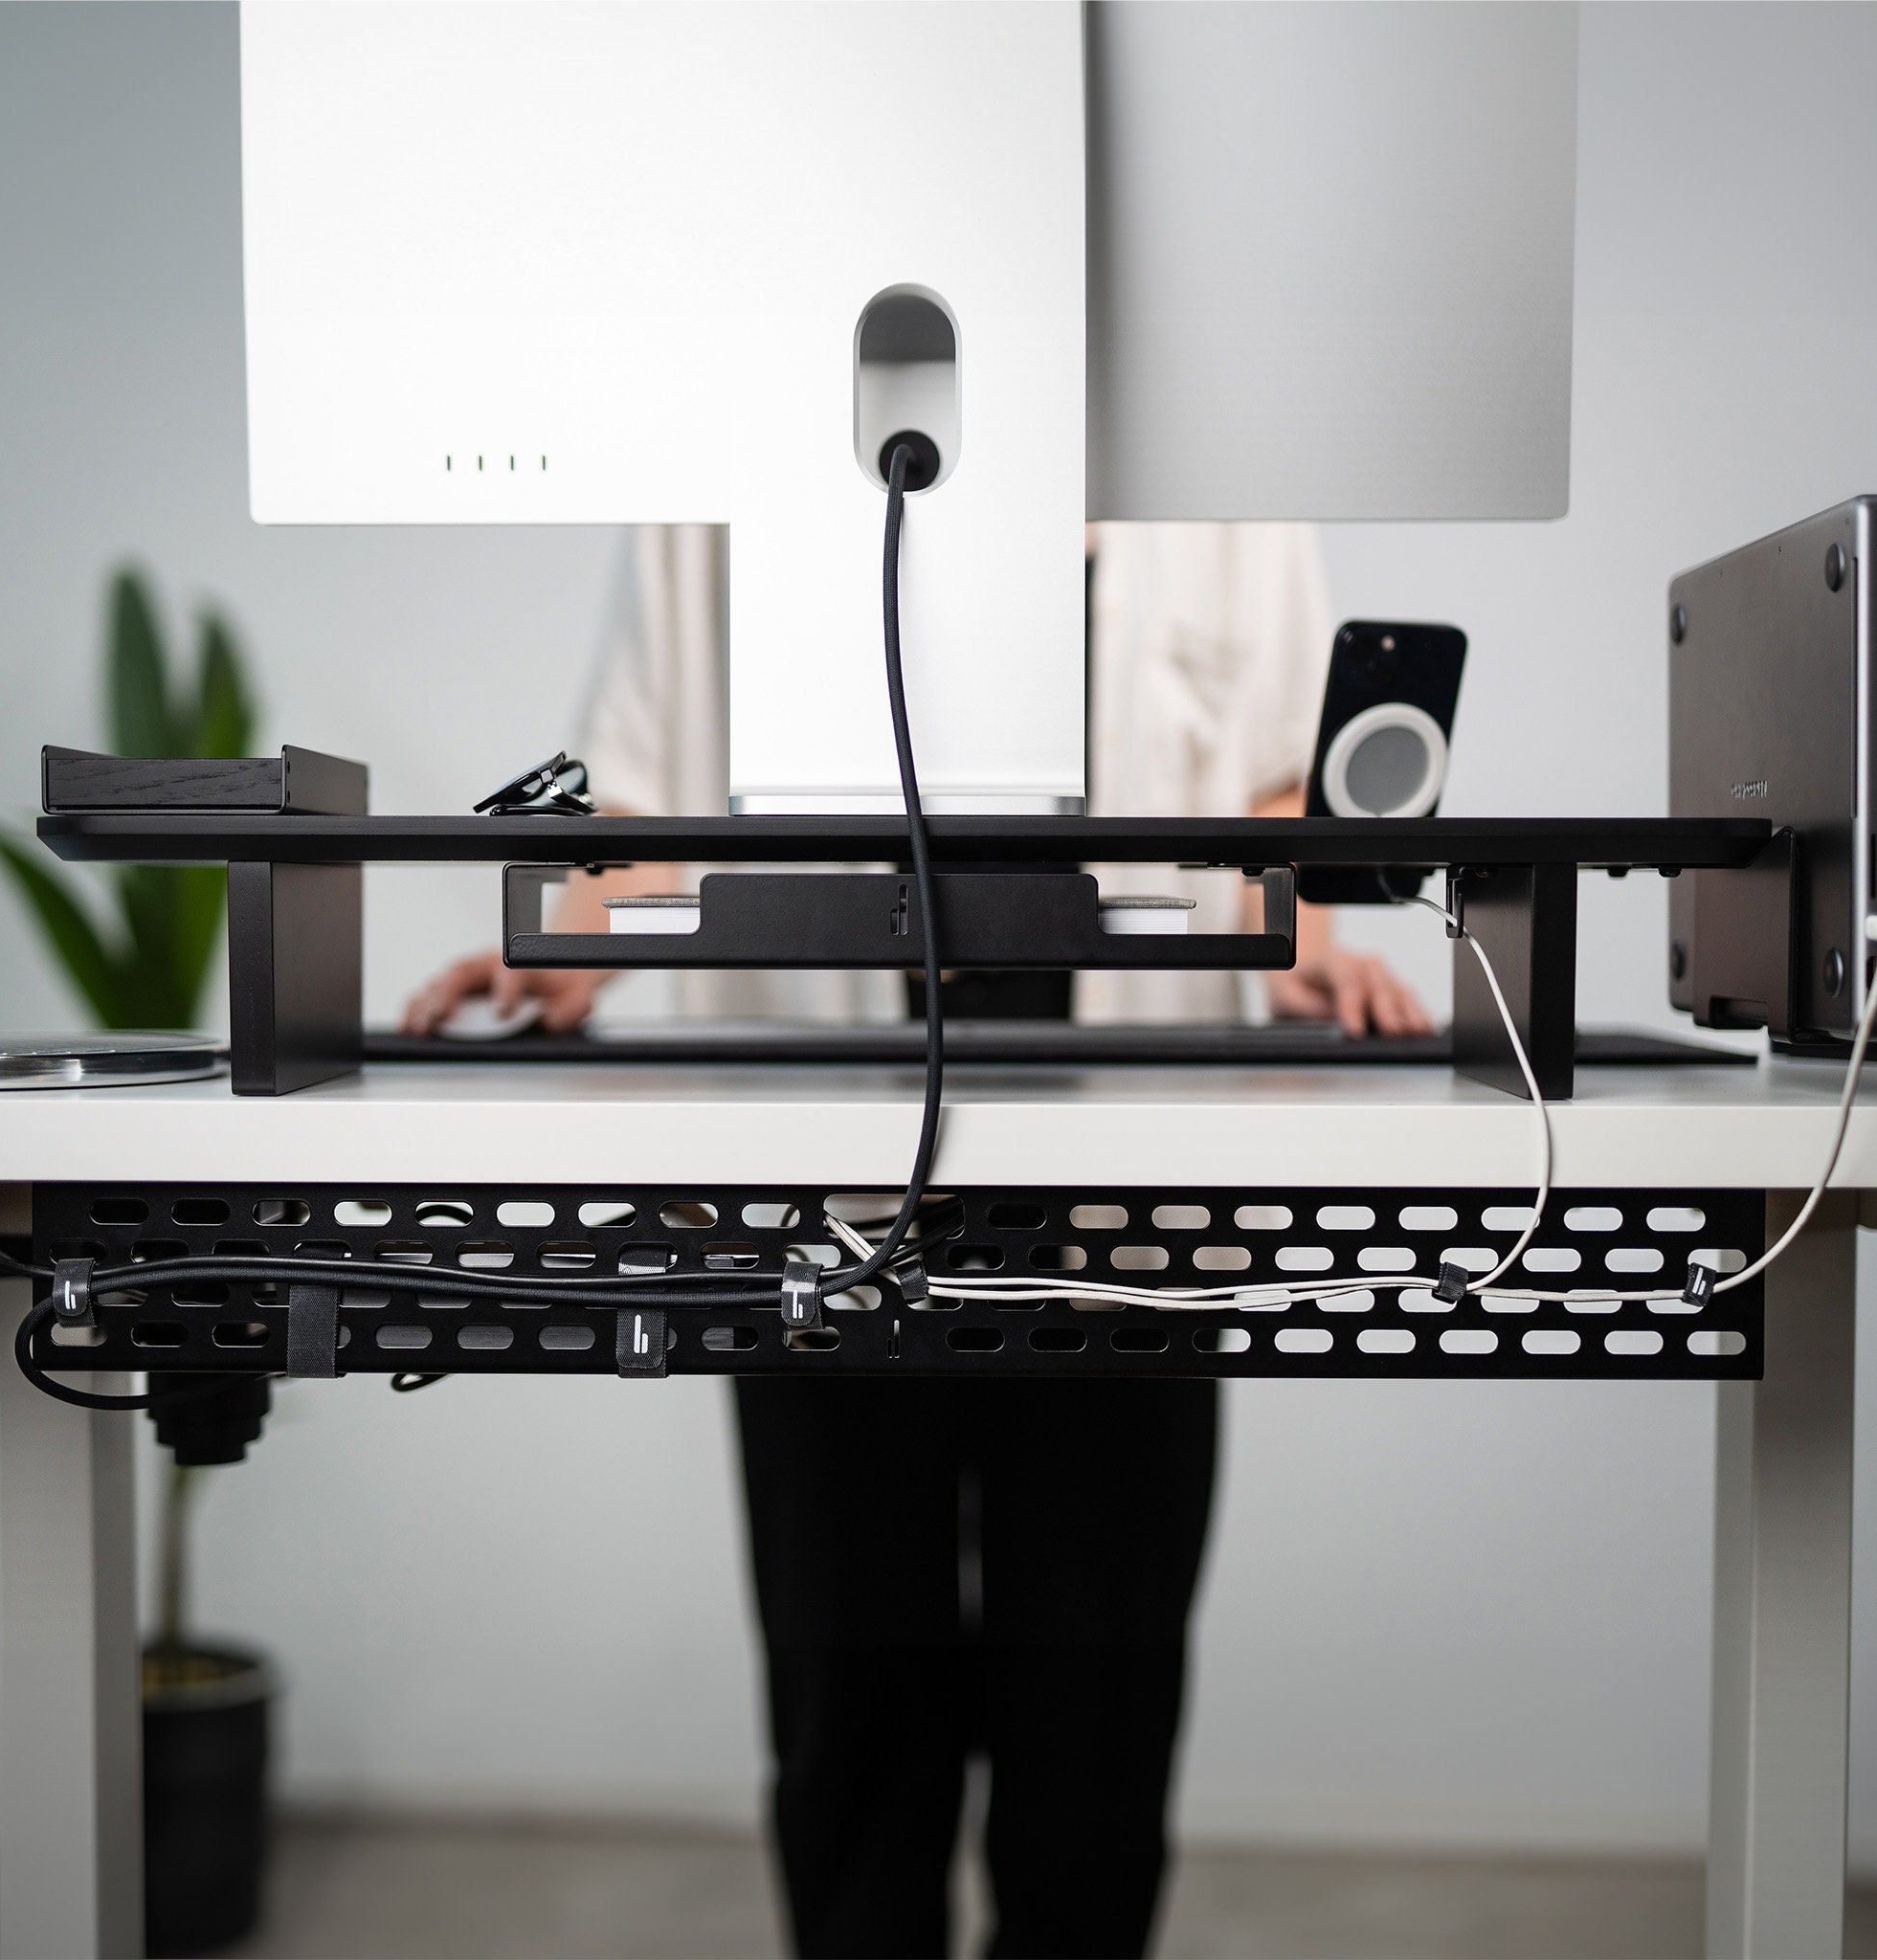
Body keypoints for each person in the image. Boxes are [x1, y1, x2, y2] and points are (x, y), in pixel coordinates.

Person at [406, 523, 1429, 1959]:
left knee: (1099, 1718)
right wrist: (563, 941)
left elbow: (1274, 774)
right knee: (849, 1710)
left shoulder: (1224, 490)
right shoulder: (723, 487)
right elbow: (636, 784)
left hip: (1128, 1217)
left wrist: (1308, 930)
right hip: (824, 1196)